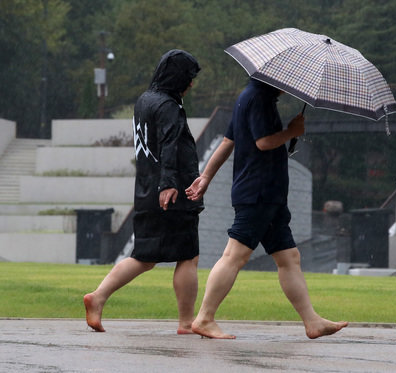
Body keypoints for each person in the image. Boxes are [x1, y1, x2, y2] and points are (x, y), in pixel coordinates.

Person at [185, 78, 348, 339]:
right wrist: (292, 132)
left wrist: (205, 177)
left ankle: (312, 321)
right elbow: (263, 142)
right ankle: (204, 318)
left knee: (289, 258)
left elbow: (228, 141)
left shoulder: (247, 96)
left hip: (267, 195)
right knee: (234, 256)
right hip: (259, 192)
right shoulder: (259, 99)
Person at [84, 49, 204, 334]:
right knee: (188, 255)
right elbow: (171, 144)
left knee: (145, 256)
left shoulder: (145, 101)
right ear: (178, 78)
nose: (192, 84)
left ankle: (98, 297)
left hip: (147, 190)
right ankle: (186, 323)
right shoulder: (169, 107)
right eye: (189, 77)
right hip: (172, 191)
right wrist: (170, 184)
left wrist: (160, 185)